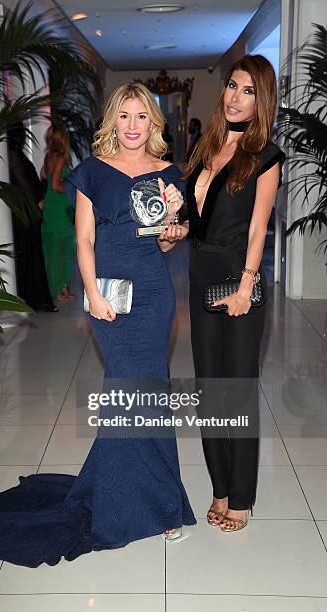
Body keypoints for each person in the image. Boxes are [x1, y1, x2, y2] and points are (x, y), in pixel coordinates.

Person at [0, 82, 196, 568]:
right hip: (109, 292)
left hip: (153, 296)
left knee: (149, 392)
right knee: (128, 393)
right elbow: (84, 241)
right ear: (113, 121)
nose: (133, 126)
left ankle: (163, 502)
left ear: (154, 123)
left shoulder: (168, 174)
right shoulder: (92, 171)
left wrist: (173, 226)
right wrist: (91, 293)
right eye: (124, 116)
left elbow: (167, 245)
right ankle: (138, 503)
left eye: (142, 117)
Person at [160, 55, 285, 532]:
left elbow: (257, 229)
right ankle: (220, 486)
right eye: (233, 86)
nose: (235, 97)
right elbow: (200, 222)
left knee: (237, 391)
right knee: (208, 392)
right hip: (199, 277)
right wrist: (173, 229)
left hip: (239, 282)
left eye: (248, 91)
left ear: (262, 100)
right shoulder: (204, 148)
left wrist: (246, 288)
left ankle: (243, 497)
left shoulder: (266, 157)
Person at [7, 122, 54, 311]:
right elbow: (24, 185)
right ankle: (34, 300)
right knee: (30, 256)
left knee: (31, 256)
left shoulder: (13, 153)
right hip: (25, 214)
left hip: (26, 213)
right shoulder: (13, 154)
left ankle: (35, 300)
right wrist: (38, 198)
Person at [40, 124, 75, 306]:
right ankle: (62, 290)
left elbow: (44, 180)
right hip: (60, 208)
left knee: (53, 251)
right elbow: (55, 185)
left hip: (50, 208)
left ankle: (56, 288)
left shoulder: (48, 157)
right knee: (63, 249)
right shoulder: (60, 157)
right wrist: (73, 191)